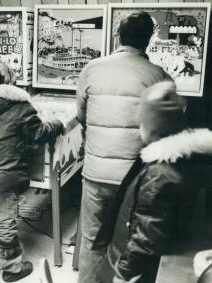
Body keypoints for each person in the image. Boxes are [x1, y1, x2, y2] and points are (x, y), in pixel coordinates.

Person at [76, 11, 172, 283]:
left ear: (118, 35)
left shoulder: (92, 68)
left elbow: (81, 115)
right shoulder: (159, 76)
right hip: (134, 180)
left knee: (92, 240)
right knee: (131, 243)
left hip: (96, 173)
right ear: (148, 39)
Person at [97, 81, 212, 283]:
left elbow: (147, 234)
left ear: (152, 129)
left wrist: (124, 274)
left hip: (132, 269)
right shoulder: (180, 159)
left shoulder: (159, 175)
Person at [0, 62, 64, 282]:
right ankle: (12, 268)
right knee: (5, 220)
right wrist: (57, 124)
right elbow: (37, 133)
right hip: (6, 175)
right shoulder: (20, 106)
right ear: (9, 81)